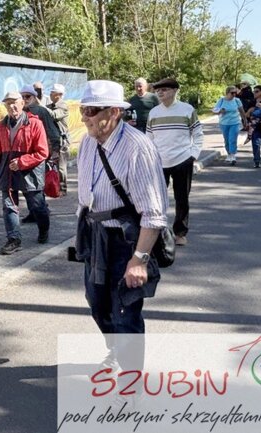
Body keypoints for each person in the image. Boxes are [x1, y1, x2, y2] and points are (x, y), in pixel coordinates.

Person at [76, 79, 168, 384]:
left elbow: (154, 213)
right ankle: (115, 350)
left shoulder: (137, 147)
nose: (84, 117)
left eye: (91, 110)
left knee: (125, 314)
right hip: (96, 237)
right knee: (97, 306)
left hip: (126, 242)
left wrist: (139, 259)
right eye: (82, 110)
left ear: (114, 111)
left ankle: (131, 385)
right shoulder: (88, 142)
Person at [147, 78, 203, 247]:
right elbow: (149, 137)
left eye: (164, 89)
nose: (160, 92)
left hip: (182, 159)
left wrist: (193, 154)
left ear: (174, 91)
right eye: (158, 90)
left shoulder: (187, 110)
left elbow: (198, 134)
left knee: (182, 198)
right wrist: (149, 157)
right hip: (159, 162)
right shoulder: (154, 112)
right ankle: (158, 231)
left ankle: (180, 233)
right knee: (156, 199)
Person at [0, 91, 50, 255]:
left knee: (37, 206)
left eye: (14, 102)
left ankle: (44, 230)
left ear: (22, 104)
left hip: (30, 172)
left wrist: (22, 162)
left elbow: (42, 152)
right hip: (8, 172)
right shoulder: (0, 126)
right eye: (8, 103)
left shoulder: (35, 124)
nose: (11, 106)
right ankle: (14, 240)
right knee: (9, 206)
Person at [20, 84, 59, 225]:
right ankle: (33, 212)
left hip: (39, 154)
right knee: (25, 186)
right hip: (23, 156)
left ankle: (42, 212)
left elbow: (52, 132)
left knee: (36, 186)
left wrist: (55, 151)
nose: (25, 99)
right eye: (22, 97)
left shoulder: (41, 111)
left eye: (28, 96)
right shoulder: (19, 112)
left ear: (34, 97)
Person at [212, 86, 246, 165]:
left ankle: (233, 155)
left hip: (235, 122)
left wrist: (245, 120)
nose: (234, 94)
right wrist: (220, 111)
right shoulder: (221, 100)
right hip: (224, 123)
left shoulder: (237, 100)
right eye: (232, 93)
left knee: (232, 139)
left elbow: (241, 111)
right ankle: (229, 154)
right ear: (227, 93)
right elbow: (214, 110)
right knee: (227, 140)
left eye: (235, 93)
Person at [47, 83, 70, 195]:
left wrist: (42, 108)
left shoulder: (63, 106)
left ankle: (62, 189)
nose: (50, 95)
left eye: (52, 93)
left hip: (62, 141)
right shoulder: (50, 106)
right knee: (50, 164)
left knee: (61, 166)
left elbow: (53, 115)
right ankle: (52, 187)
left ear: (58, 95)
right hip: (52, 140)